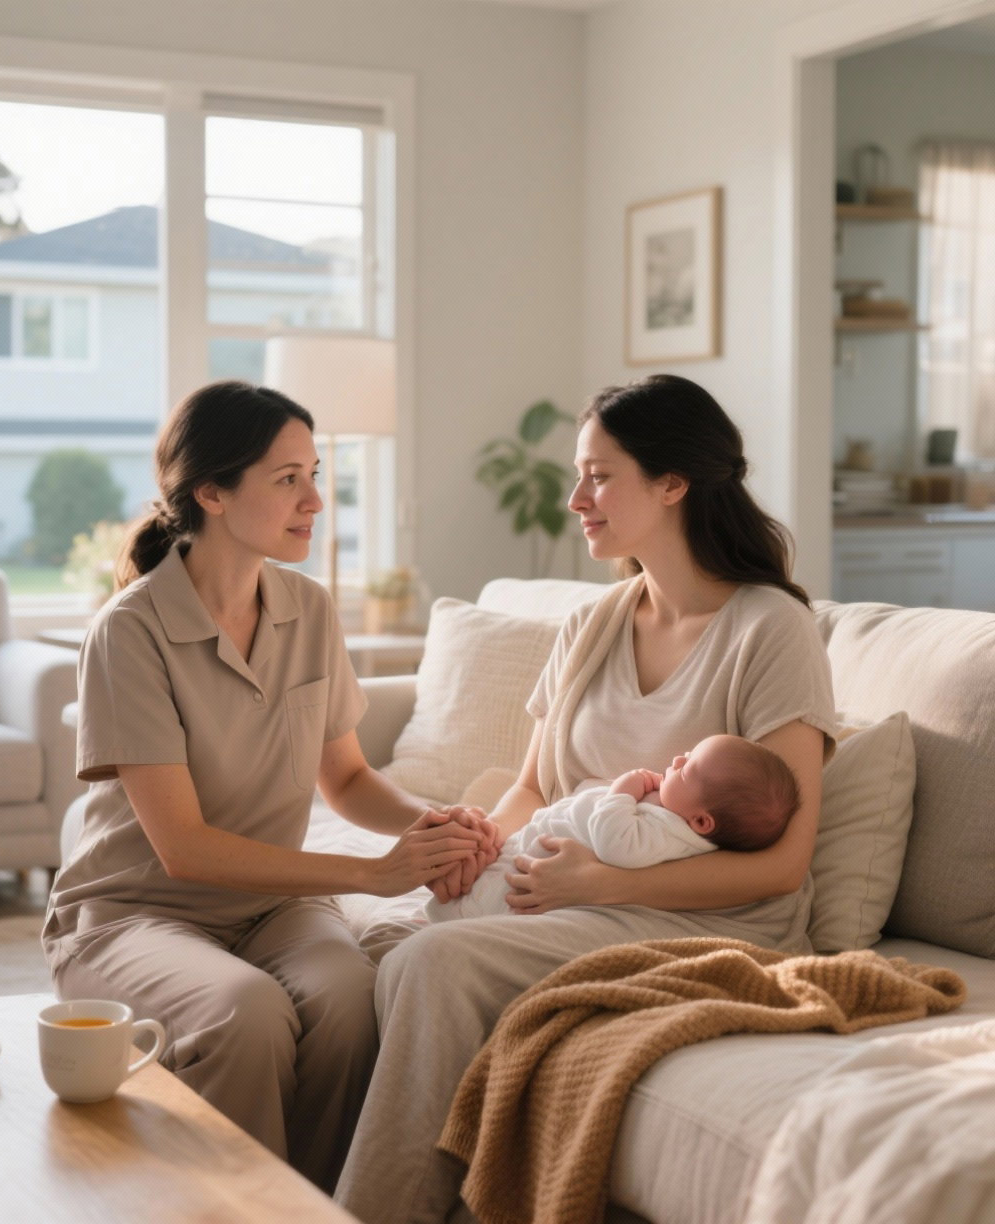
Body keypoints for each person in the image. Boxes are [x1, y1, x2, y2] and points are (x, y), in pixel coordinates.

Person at [335, 373, 837, 1224]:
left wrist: (601, 885)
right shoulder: (592, 623)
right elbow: (534, 786)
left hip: (705, 917)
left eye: (600, 476)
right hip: (568, 894)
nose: (577, 499)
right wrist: (480, 849)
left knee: (429, 961)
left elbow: (784, 867)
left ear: (672, 483)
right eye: (580, 475)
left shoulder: (769, 629)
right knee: (371, 946)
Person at [41, 380, 493, 1195]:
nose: (316, 500)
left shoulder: (308, 608)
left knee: (353, 999)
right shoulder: (130, 632)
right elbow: (183, 850)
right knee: (244, 1014)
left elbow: (349, 780)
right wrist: (371, 873)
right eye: (287, 478)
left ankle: (317, 1204)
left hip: (269, 908)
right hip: (133, 913)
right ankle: (227, 1209)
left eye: (315, 474)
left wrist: (437, 823)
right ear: (211, 492)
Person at [426, 734, 801, 923]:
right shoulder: (676, 815)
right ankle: (446, 911)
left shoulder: (674, 835)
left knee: (492, 896)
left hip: (544, 873)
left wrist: (623, 791)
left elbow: (615, 844)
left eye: (688, 768)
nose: (678, 758)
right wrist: (487, 834)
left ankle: (451, 918)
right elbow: (534, 789)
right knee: (484, 876)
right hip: (537, 838)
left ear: (702, 821)